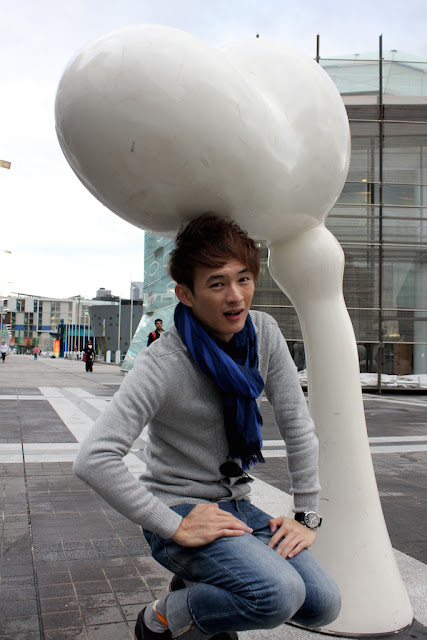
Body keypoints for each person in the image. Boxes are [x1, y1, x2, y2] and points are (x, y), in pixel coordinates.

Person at [74, 214, 340, 640]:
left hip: (236, 506)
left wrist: (306, 514)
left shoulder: (264, 333)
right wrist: (172, 525)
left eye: (243, 279)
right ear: (186, 294)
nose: (236, 297)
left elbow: (297, 425)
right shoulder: (162, 362)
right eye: (217, 284)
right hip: (179, 509)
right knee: (277, 595)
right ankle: (161, 618)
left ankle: (197, 587)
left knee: (322, 604)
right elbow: (94, 458)